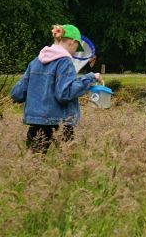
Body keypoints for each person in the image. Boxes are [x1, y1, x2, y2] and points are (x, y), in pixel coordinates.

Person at [10, 24, 102, 153]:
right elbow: (64, 94)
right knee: (67, 163)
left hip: (37, 122)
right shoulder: (65, 62)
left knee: (33, 164)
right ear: (72, 42)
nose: (76, 52)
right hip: (61, 122)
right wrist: (89, 78)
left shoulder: (36, 61)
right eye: (77, 47)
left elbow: (17, 94)